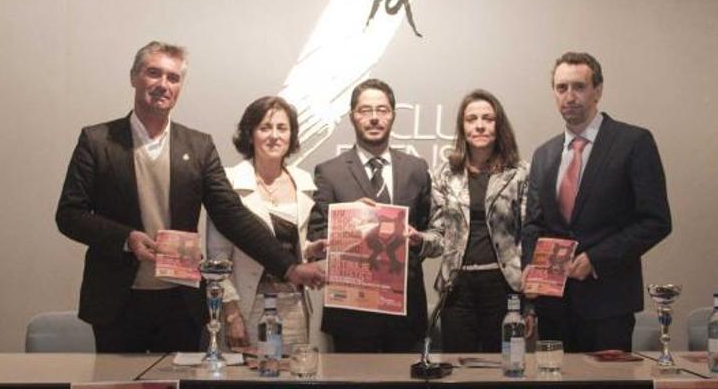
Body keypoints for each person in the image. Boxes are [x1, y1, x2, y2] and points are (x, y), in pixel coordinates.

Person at [56, 41, 323, 353]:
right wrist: (126, 238)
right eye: (153, 73)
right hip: (117, 300)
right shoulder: (97, 140)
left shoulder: (198, 146)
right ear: (134, 77)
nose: (163, 85)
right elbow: (69, 215)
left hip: (180, 302)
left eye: (173, 78)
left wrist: (289, 267)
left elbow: (231, 215)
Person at [522, 52, 672, 353]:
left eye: (579, 86)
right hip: (554, 307)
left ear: (598, 91)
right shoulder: (544, 154)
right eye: (561, 88)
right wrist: (531, 268)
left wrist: (596, 258)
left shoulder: (633, 142)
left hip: (608, 305)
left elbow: (656, 221)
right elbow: (534, 225)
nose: (570, 96)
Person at [307, 78, 431, 353]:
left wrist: (418, 239)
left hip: (405, 311)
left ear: (393, 115)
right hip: (351, 312)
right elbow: (316, 237)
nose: (374, 118)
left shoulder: (417, 169)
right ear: (352, 117)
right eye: (365, 110)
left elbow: (430, 231)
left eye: (382, 110)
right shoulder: (329, 171)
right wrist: (351, 222)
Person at [417, 90, 534, 352]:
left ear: (498, 124)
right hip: (457, 288)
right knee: (458, 371)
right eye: (471, 119)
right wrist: (419, 240)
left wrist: (530, 302)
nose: (479, 125)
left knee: (504, 369)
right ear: (462, 127)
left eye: (487, 118)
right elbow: (439, 235)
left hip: (504, 286)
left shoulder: (519, 172)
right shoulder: (445, 174)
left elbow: (528, 235)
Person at [206, 96, 325, 351]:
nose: (274, 136)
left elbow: (289, 250)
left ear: (291, 135)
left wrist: (312, 251)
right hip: (247, 306)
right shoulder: (227, 181)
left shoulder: (304, 182)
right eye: (264, 128)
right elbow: (218, 258)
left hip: (295, 306)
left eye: (282, 128)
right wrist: (231, 314)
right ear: (250, 135)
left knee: (294, 383)